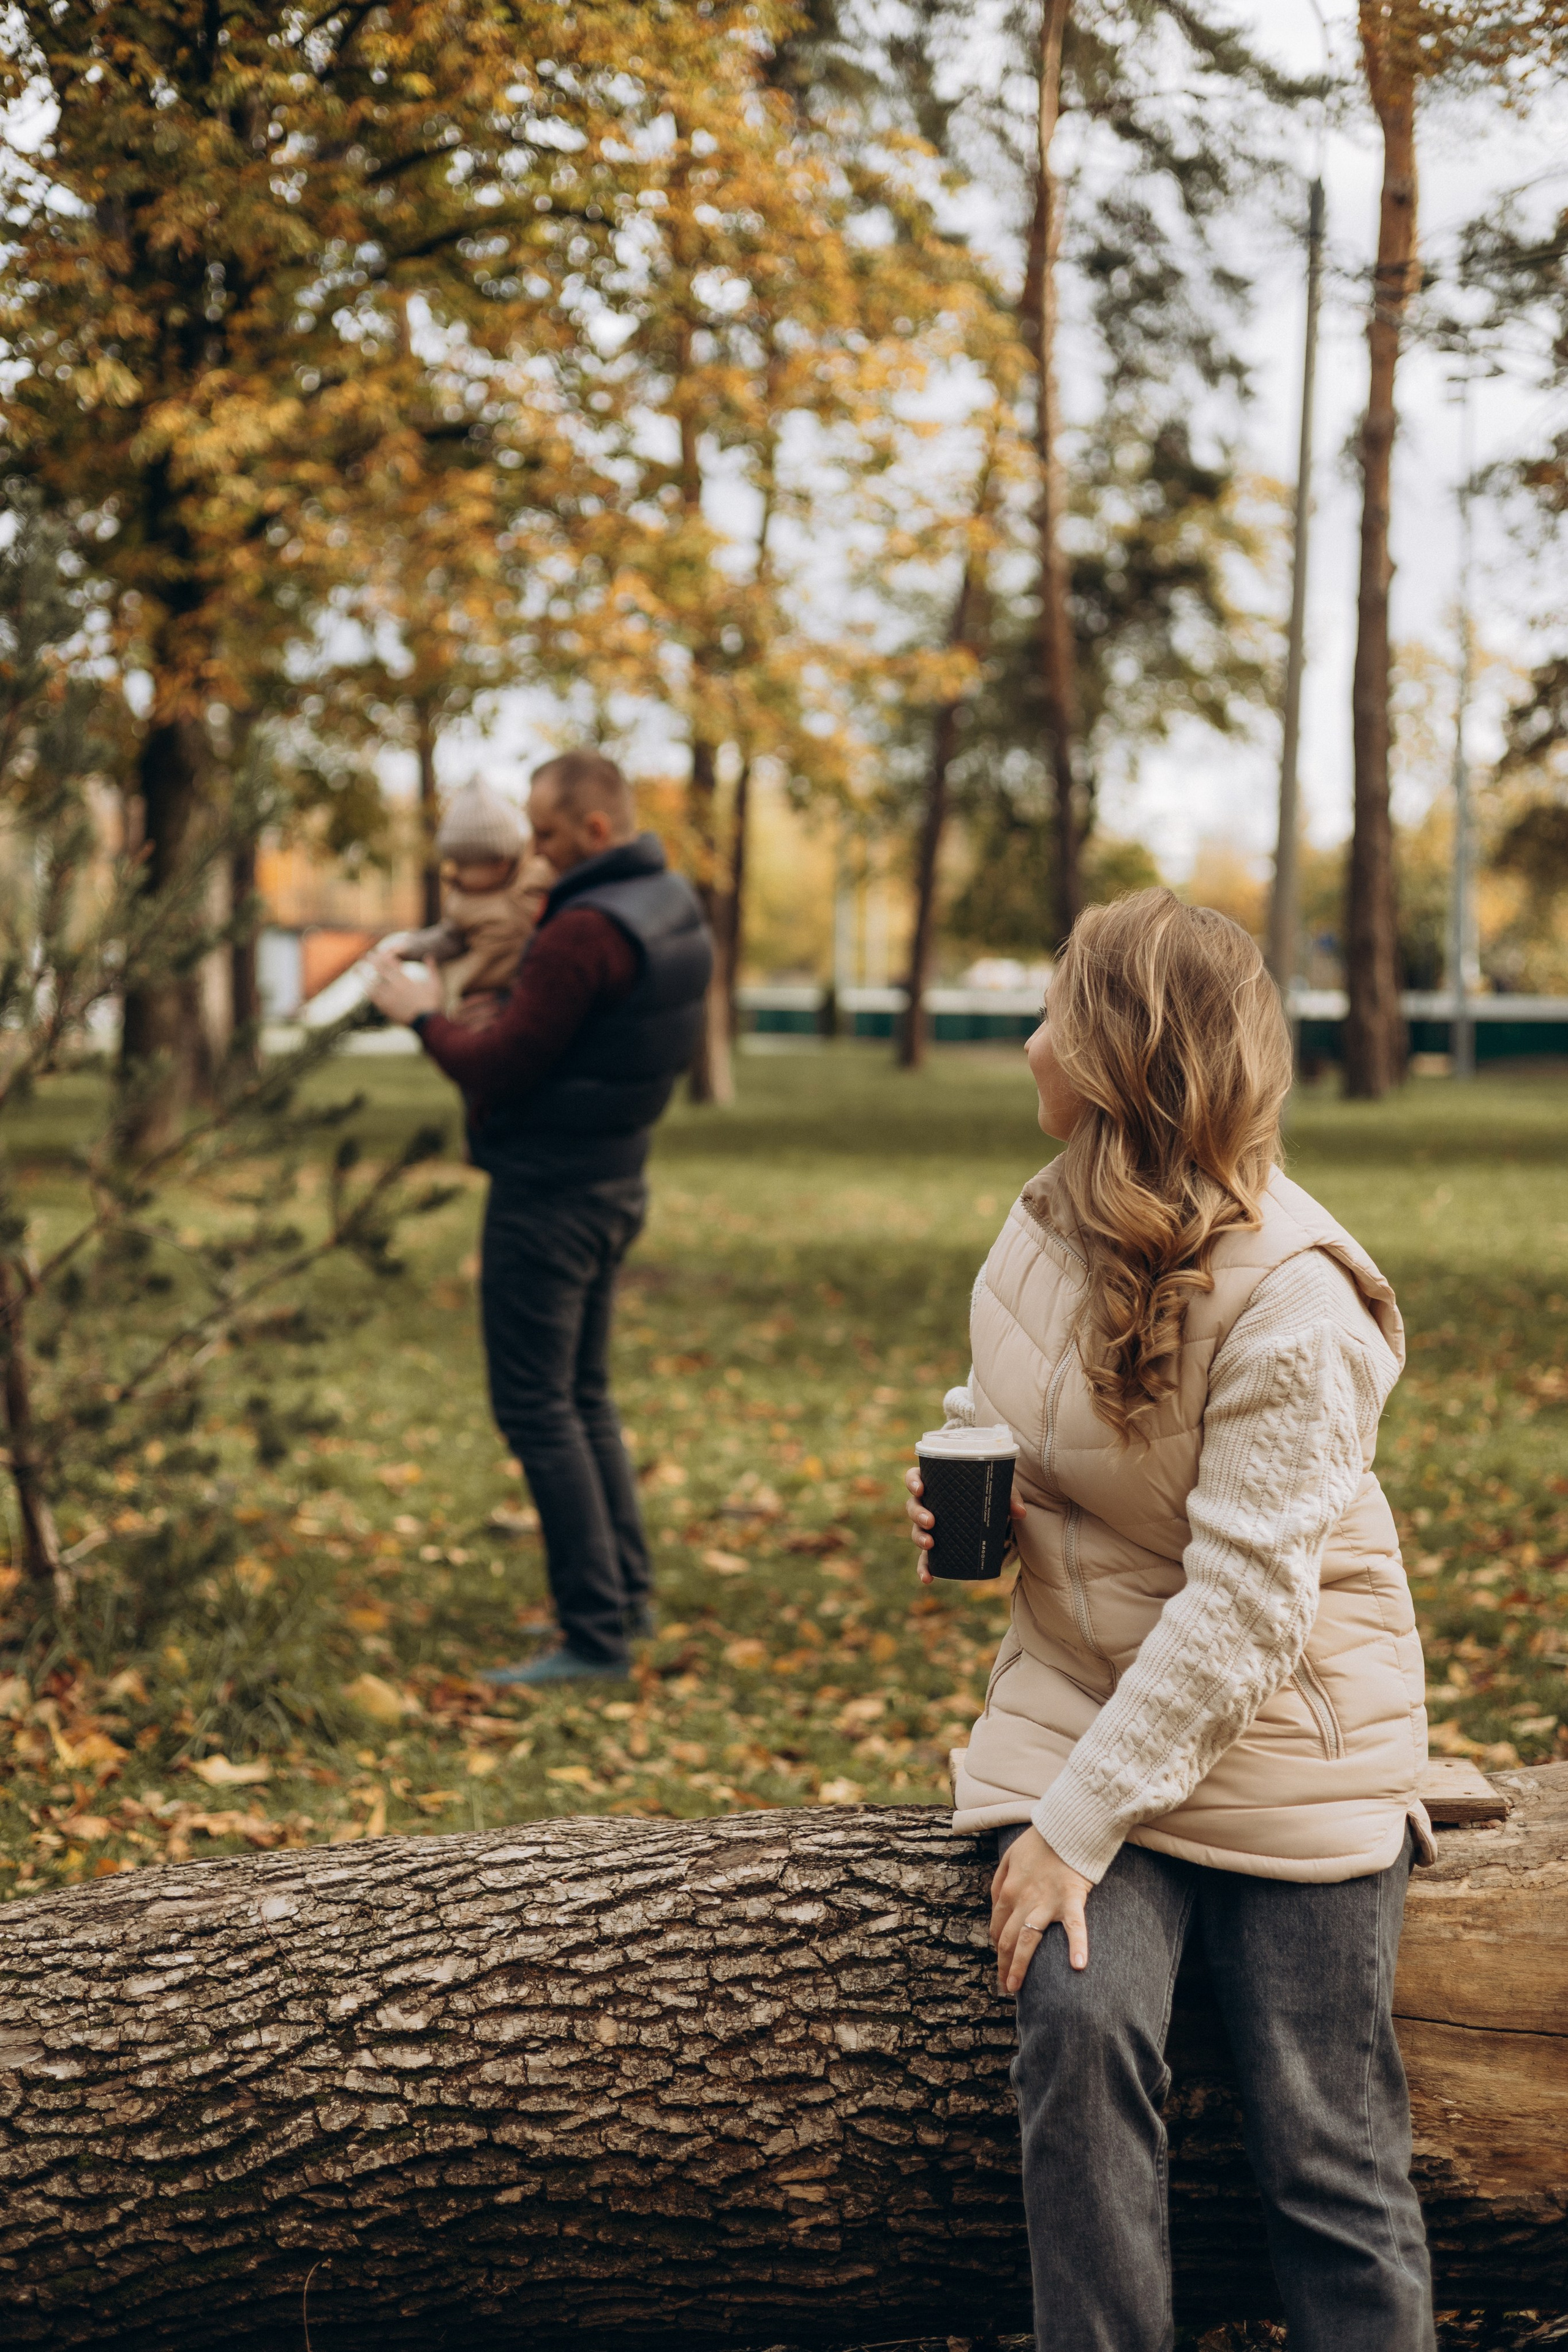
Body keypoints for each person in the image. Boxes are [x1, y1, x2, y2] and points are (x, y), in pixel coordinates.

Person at [905, 889, 1434, 2352]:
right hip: (1083, 1691)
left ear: (1114, 1056)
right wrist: (978, 1491)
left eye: (1053, 1014)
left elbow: (1243, 1618)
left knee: (1321, 2130)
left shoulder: (1298, 1308)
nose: (1026, 1041)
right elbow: (1016, 1412)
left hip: (1281, 1728)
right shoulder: (1039, 1219)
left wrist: (1070, 1828)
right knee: (1074, 2030)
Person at [369, 749, 712, 1686]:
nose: (538, 853)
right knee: (585, 1396)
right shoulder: (671, 904)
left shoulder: (581, 932)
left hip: (548, 1192)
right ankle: (625, 1599)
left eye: (550, 836)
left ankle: (594, 1634)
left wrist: (419, 1013)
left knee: (536, 1407)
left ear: (595, 830)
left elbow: (497, 1065)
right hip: (616, 1179)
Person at [387, 779, 557, 1025]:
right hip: (486, 993)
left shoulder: (536, 878)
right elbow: (449, 938)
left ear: (500, 861)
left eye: (463, 864)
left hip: (534, 987)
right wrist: (410, 948)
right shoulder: (462, 902)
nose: (452, 873)